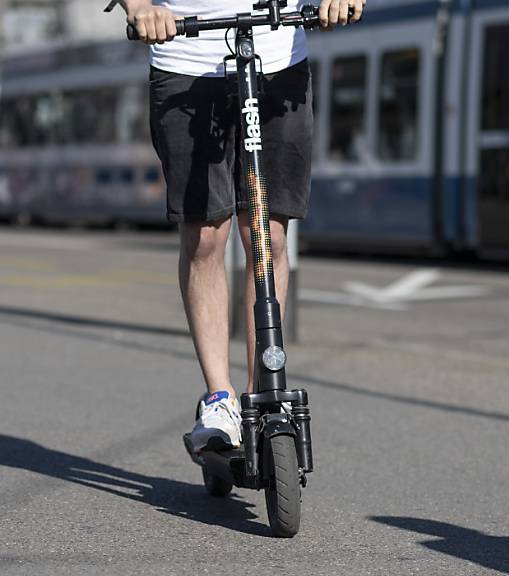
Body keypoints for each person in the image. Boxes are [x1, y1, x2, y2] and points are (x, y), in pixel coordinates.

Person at [112, 0, 364, 452]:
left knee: (268, 234)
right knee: (205, 238)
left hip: (279, 58)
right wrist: (141, 7)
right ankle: (219, 398)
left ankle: (260, 393)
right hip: (184, 56)